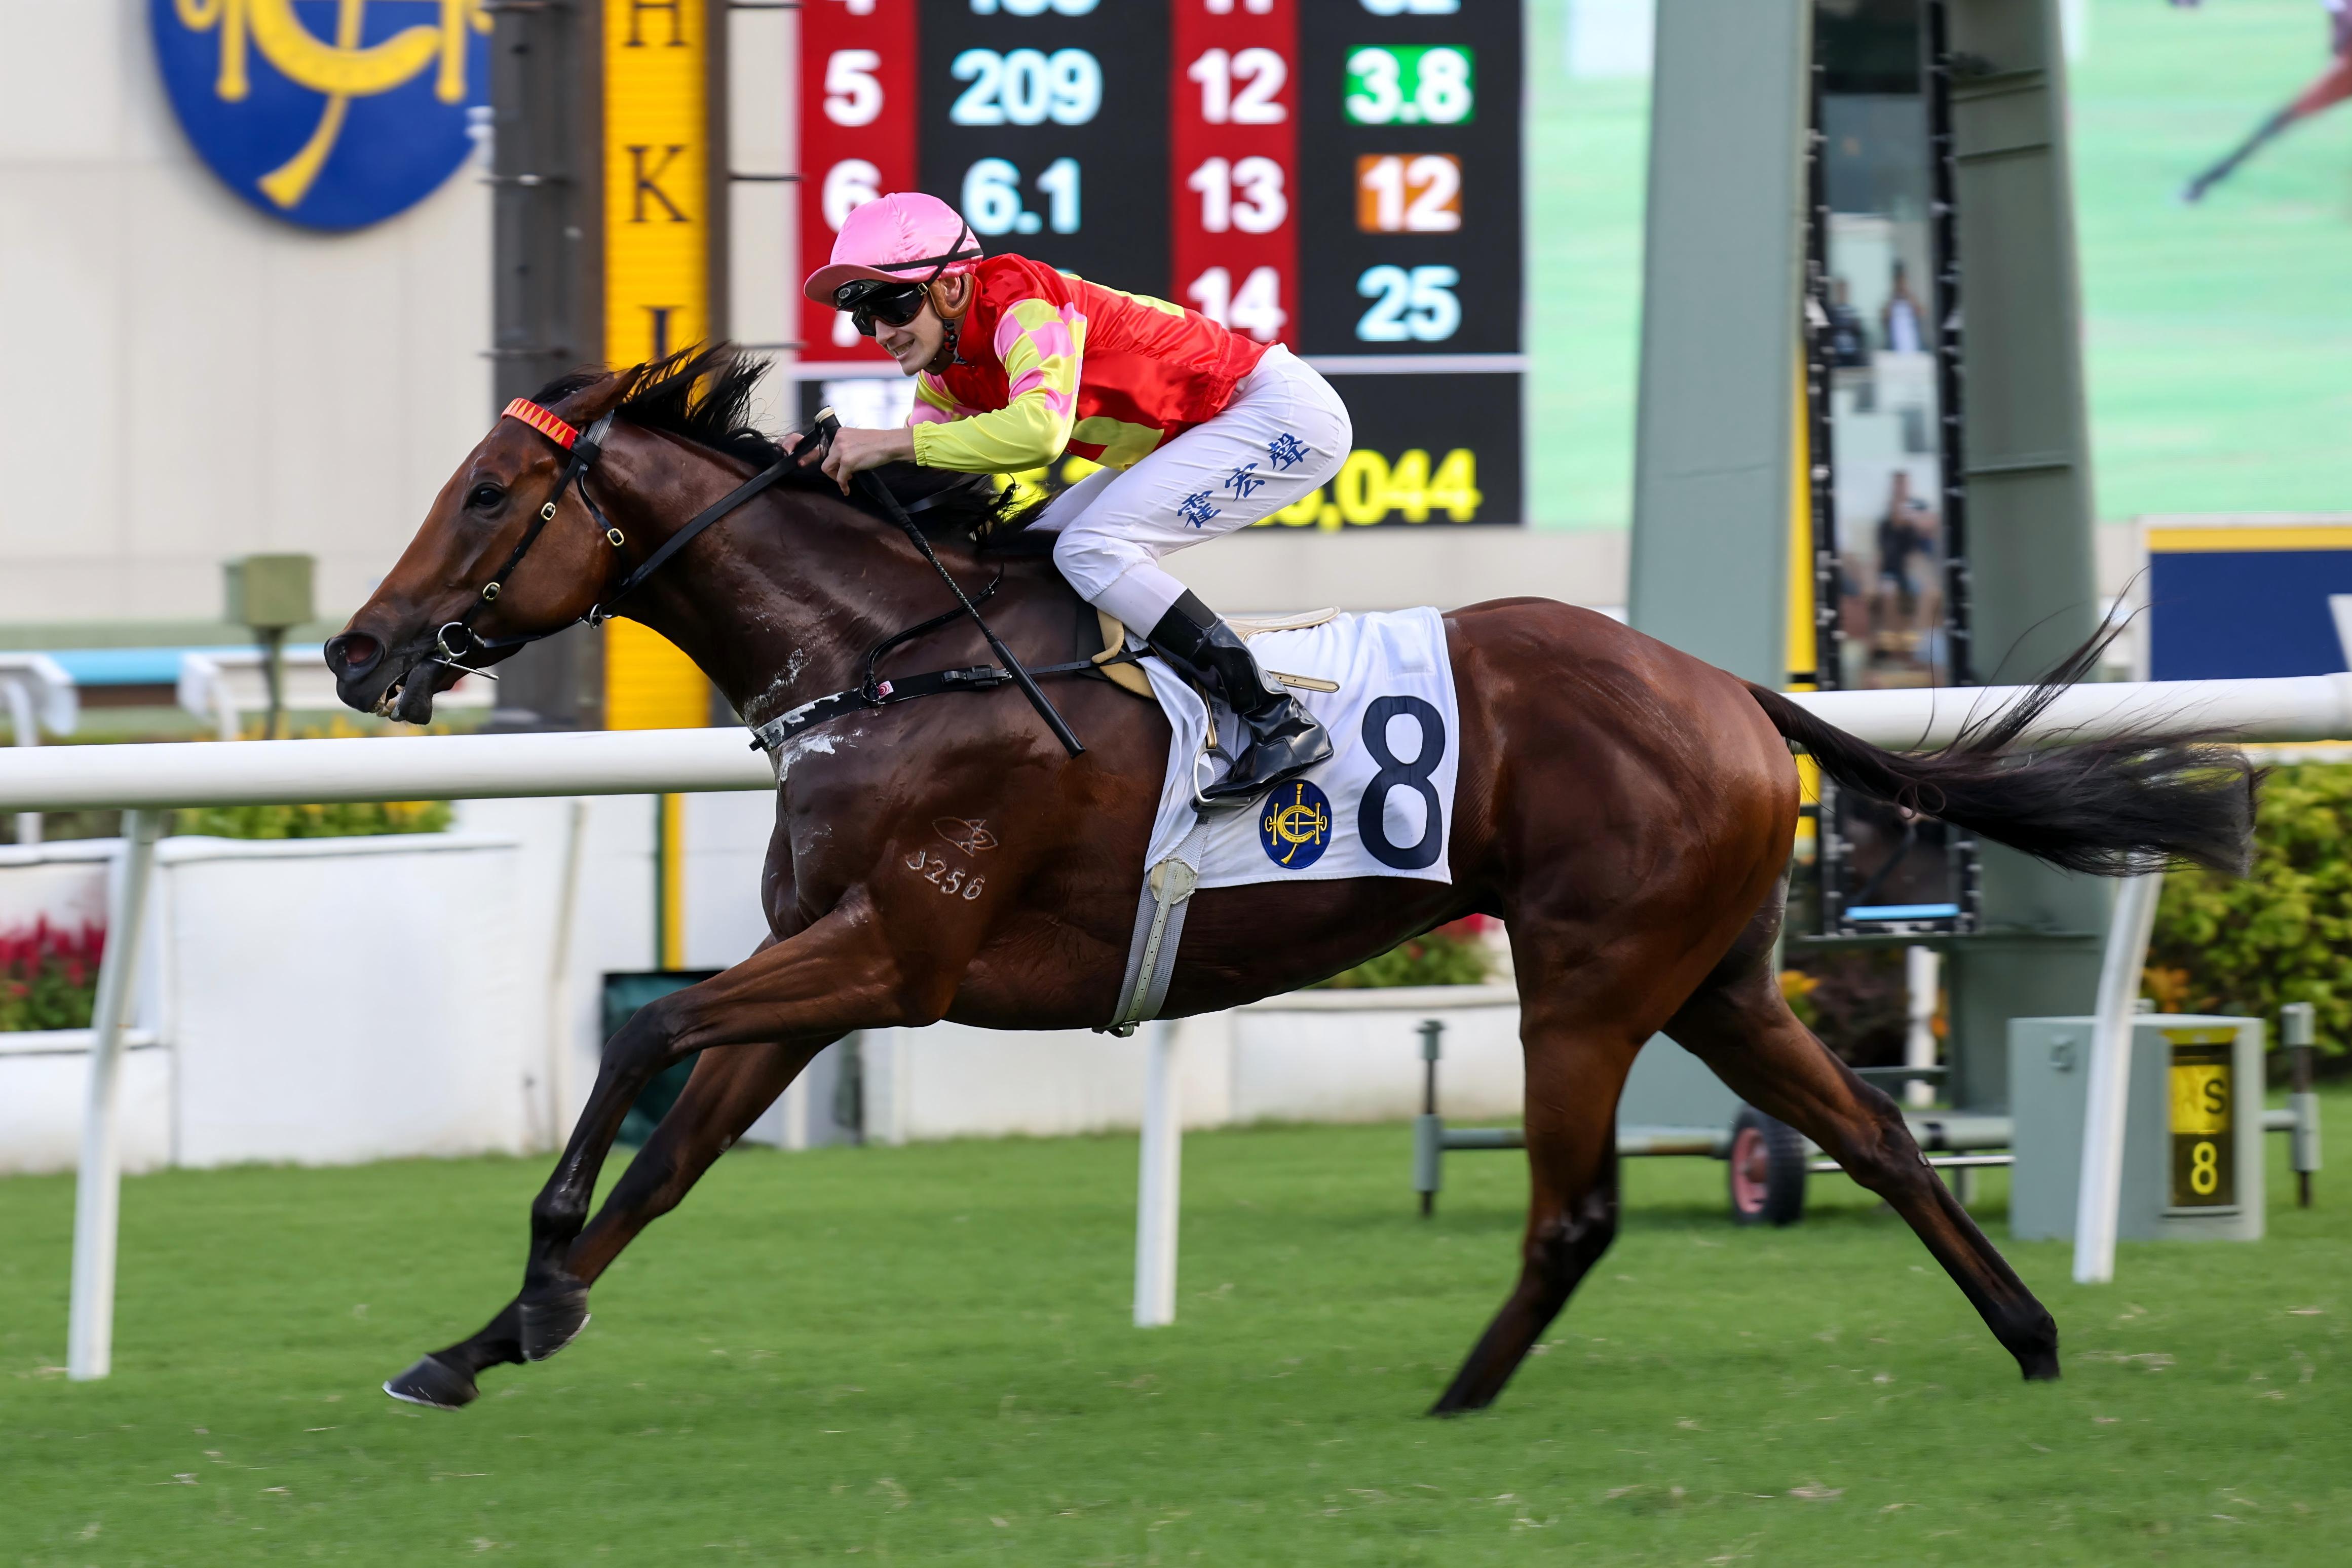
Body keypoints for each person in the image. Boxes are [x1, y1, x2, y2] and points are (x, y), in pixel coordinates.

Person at [788, 192, 1348, 807]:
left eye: (891, 305)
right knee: (1031, 558)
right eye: (863, 318)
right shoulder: (945, 375)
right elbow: (926, 492)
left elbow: (1039, 433)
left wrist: (892, 443)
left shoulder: (1020, 301)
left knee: (1091, 548)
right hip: (1203, 429)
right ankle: (1139, 721)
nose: (882, 332)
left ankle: (1275, 718)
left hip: (1276, 412)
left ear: (951, 288)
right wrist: (820, 471)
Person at [1880, 261, 1925, 355]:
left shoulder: (1912, 299)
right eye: (1899, 282)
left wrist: (1909, 296)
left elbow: (1922, 313)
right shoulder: (1891, 302)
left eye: (1903, 281)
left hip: (1913, 346)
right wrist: (1893, 298)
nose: (1901, 285)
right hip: (1896, 347)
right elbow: (1884, 319)